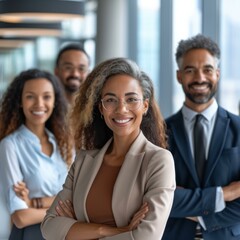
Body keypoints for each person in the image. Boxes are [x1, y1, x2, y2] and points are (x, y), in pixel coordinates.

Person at [41, 57, 176, 240]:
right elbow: (49, 226)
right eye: (111, 100)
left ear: (145, 106)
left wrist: (77, 230)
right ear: (101, 108)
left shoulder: (159, 160)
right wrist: (116, 231)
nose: (121, 109)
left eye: (131, 99)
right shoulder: (83, 160)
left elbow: (146, 237)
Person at [162, 34, 240, 240]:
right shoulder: (159, 132)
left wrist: (197, 213)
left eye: (207, 69)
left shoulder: (239, 128)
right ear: (179, 76)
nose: (200, 78)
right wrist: (225, 194)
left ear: (218, 73)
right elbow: (159, 196)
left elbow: (174, 199)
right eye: (190, 70)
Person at [0, 69, 73, 240]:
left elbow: (76, 197)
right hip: (32, 234)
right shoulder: (10, 146)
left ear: (55, 101)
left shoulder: (65, 144)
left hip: (66, 234)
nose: (39, 104)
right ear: (20, 101)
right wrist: (66, 212)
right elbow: (21, 217)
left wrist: (34, 203)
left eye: (46, 96)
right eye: (30, 96)